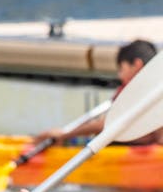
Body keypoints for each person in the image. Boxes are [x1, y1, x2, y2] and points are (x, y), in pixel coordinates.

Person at [35, 39, 163, 146]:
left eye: (121, 69)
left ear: (137, 65)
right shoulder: (154, 87)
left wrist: (65, 135)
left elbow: (108, 124)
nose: (120, 76)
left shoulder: (141, 89)